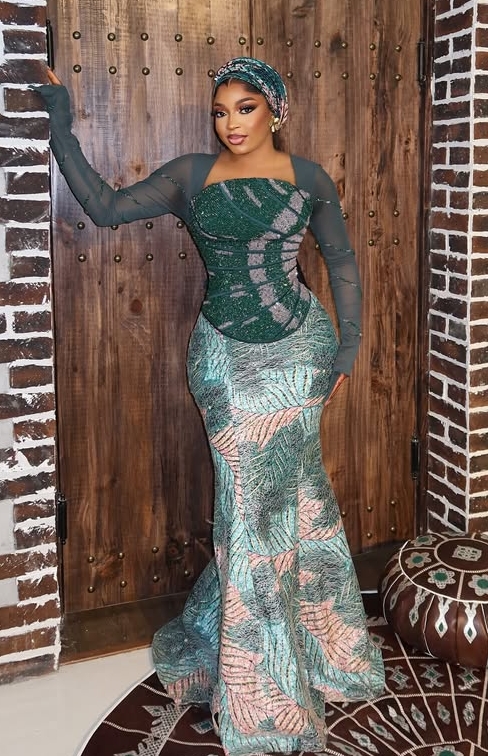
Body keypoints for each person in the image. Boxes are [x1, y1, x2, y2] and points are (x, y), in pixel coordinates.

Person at [36, 57, 384, 756]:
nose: (230, 124)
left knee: (301, 500)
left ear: (276, 110)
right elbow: (105, 208)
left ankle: (325, 648)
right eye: (220, 111)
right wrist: (60, 124)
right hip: (224, 361)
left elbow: (341, 262)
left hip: (302, 355)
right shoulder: (191, 175)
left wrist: (347, 349)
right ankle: (264, 699)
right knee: (250, 513)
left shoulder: (311, 179)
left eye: (245, 108)